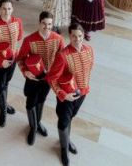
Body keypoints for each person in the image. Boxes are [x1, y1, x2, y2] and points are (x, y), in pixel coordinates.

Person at [46, 23, 94, 166]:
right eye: (74, 36)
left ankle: (66, 139)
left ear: (83, 35)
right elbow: (51, 78)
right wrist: (62, 94)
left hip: (82, 93)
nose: (77, 39)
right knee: (63, 123)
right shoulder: (63, 55)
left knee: (70, 118)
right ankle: (64, 148)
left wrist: (84, 88)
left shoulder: (90, 50)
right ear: (70, 36)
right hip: (66, 97)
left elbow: (89, 68)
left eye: (79, 36)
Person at [16, 11, 65, 145]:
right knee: (30, 103)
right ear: (39, 23)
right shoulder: (29, 40)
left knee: (41, 100)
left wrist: (56, 75)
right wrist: (25, 72)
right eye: (44, 24)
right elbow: (20, 58)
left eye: (50, 24)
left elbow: (62, 60)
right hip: (32, 79)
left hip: (48, 79)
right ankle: (33, 127)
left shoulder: (59, 40)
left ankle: (38, 122)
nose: (47, 27)